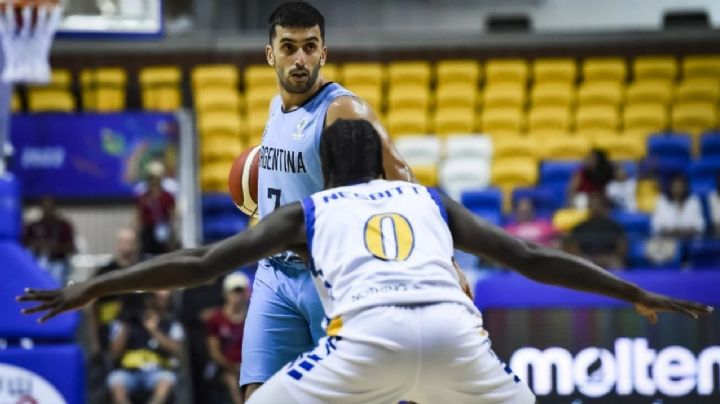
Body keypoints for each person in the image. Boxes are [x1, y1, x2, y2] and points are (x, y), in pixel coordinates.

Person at [18, 119, 713, 404]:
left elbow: (200, 261)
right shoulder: (429, 199)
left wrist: (96, 286)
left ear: (325, 171)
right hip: (455, 335)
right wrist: (631, 292)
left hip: (366, 338)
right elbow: (531, 256)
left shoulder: (311, 211)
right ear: (380, 162)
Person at [234, 2, 413, 399]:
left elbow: (401, 177)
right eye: (289, 47)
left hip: (327, 277)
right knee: (258, 395)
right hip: (274, 274)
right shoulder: (274, 108)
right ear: (270, 54)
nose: (300, 58)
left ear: (323, 53)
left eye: (310, 47)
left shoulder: (343, 109)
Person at [105, 291, 184, 404]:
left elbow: (175, 350)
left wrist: (153, 330)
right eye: (154, 299)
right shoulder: (125, 323)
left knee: (166, 380)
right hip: (129, 372)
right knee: (115, 381)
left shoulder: (171, 323)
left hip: (158, 371)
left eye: (164, 300)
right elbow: (114, 353)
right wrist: (126, 324)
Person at [205, 272, 251, 404]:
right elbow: (214, 352)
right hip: (224, 368)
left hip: (249, 367)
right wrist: (233, 367)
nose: (238, 296)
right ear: (226, 294)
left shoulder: (253, 318)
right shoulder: (216, 319)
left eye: (241, 291)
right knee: (231, 379)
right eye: (234, 292)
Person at [22, 196, 77, 285]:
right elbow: (23, 244)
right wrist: (37, 245)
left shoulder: (63, 226)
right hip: (38, 261)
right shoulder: (33, 226)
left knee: (56, 273)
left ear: (55, 208)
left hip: (58, 262)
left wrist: (55, 247)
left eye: (50, 207)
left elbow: (71, 247)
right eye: (44, 207)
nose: (47, 210)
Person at [566, 192, 628, 270]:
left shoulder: (614, 226)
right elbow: (573, 247)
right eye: (593, 205)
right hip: (587, 258)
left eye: (598, 205)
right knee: (579, 263)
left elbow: (622, 246)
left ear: (603, 207)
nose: (595, 208)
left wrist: (607, 257)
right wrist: (588, 258)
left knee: (617, 263)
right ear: (589, 207)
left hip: (608, 258)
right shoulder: (580, 227)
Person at [136, 162, 177, 256]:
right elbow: (138, 218)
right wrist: (136, 239)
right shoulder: (142, 197)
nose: (154, 181)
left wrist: (173, 237)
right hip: (147, 233)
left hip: (163, 232)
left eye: (156, 177)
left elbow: (172, 218)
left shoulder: (168, 197)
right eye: (151, 177)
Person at [652, 174, 706, 239]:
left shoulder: (693, 201)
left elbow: (701, 225)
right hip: (667, 239)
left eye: (681, 187)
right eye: (676, 186)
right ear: (670, 187)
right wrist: (671, 231)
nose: (678, 189)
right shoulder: (662, 201)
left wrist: (686, 231)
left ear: (685, 188)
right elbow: (656, 225)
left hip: (689, 239)